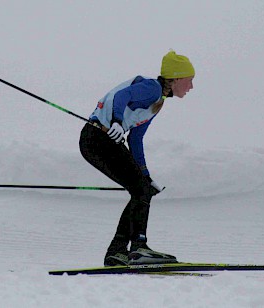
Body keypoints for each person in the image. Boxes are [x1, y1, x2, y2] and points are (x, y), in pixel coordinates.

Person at [79, 50, 195, 266]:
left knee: (142, 188)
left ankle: (120, 251)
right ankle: (136, 248)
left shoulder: (158, 101)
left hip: (100, 140)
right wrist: (115, 121)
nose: (191, 86)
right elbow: (121, 96)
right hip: (98, 137)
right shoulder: (152, 88)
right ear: (177, 78)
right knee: (140, 189)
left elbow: (136, 139)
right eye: (189, 80)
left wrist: (146, 174)